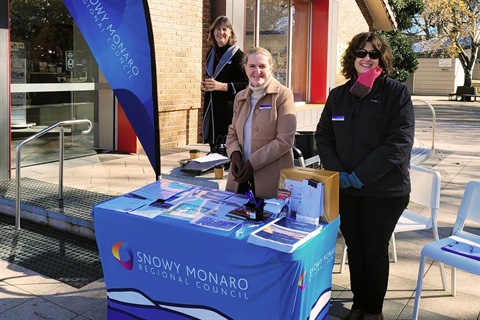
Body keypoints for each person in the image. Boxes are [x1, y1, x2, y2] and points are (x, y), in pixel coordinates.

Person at [314, 32, 415, 320]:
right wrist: (340, 174)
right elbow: (324, 136)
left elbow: (399, 142)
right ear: (352, 58)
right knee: (355, 248)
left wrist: (360, 176)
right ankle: (358, 306)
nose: (367, 59)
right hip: (346, 188)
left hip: (385, 190)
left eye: (373, 54)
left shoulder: (396, 93)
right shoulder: (339, 95)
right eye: (361, 53)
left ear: (381, 58)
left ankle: (373, 311)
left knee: (373, 249)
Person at [225, 47, 297, 199]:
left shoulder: (283, 95)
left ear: (271, 68)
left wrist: (252, 163)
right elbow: (232, 132)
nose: (257, 71)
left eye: (262, 66)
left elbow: (285, 140)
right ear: (245, 69)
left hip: (271, 180)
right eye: (252, 66)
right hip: (239, 177)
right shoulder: (240, 97)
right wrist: (234, 154)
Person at [201, 16, 248, 153]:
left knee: (227, 148)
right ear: (212, 32)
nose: (220, 32)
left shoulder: (239, 56)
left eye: (224, 29)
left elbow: (247, 84)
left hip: (229, 108)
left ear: (230, 33)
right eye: (217, 29)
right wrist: (204, 86)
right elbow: (210, 78)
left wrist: (221, 86)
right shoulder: (211, 53)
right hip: (212, 107)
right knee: (214, 146)